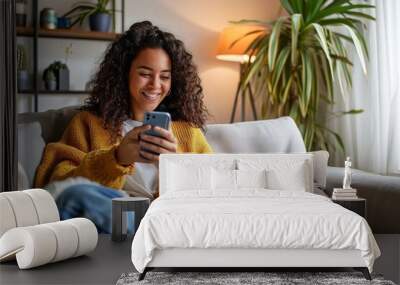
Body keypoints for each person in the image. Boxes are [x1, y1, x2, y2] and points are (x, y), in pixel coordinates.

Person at [34, 21, 213, 232]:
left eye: (165, 76)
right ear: (124, 73)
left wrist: (175, 166)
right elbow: (57, 185)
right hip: (114, 214)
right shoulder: (88, 124)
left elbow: (213, 189)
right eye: (145, 74)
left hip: (168, 220)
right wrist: (116, 158)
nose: (155, 85)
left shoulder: (188, 133)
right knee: (76, 196)